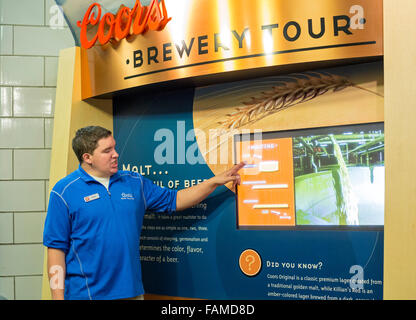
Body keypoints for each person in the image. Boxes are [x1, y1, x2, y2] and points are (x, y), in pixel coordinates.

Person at [43, 126, 245, 300]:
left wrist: (213, 181)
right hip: (85, 294)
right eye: (107, 151)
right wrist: (57, 297)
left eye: (114, 147)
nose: (116, 154)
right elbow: (55, 250)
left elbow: (175, 200)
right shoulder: (64, 192)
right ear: (87, 158)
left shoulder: (134, 182)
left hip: (131, 292)